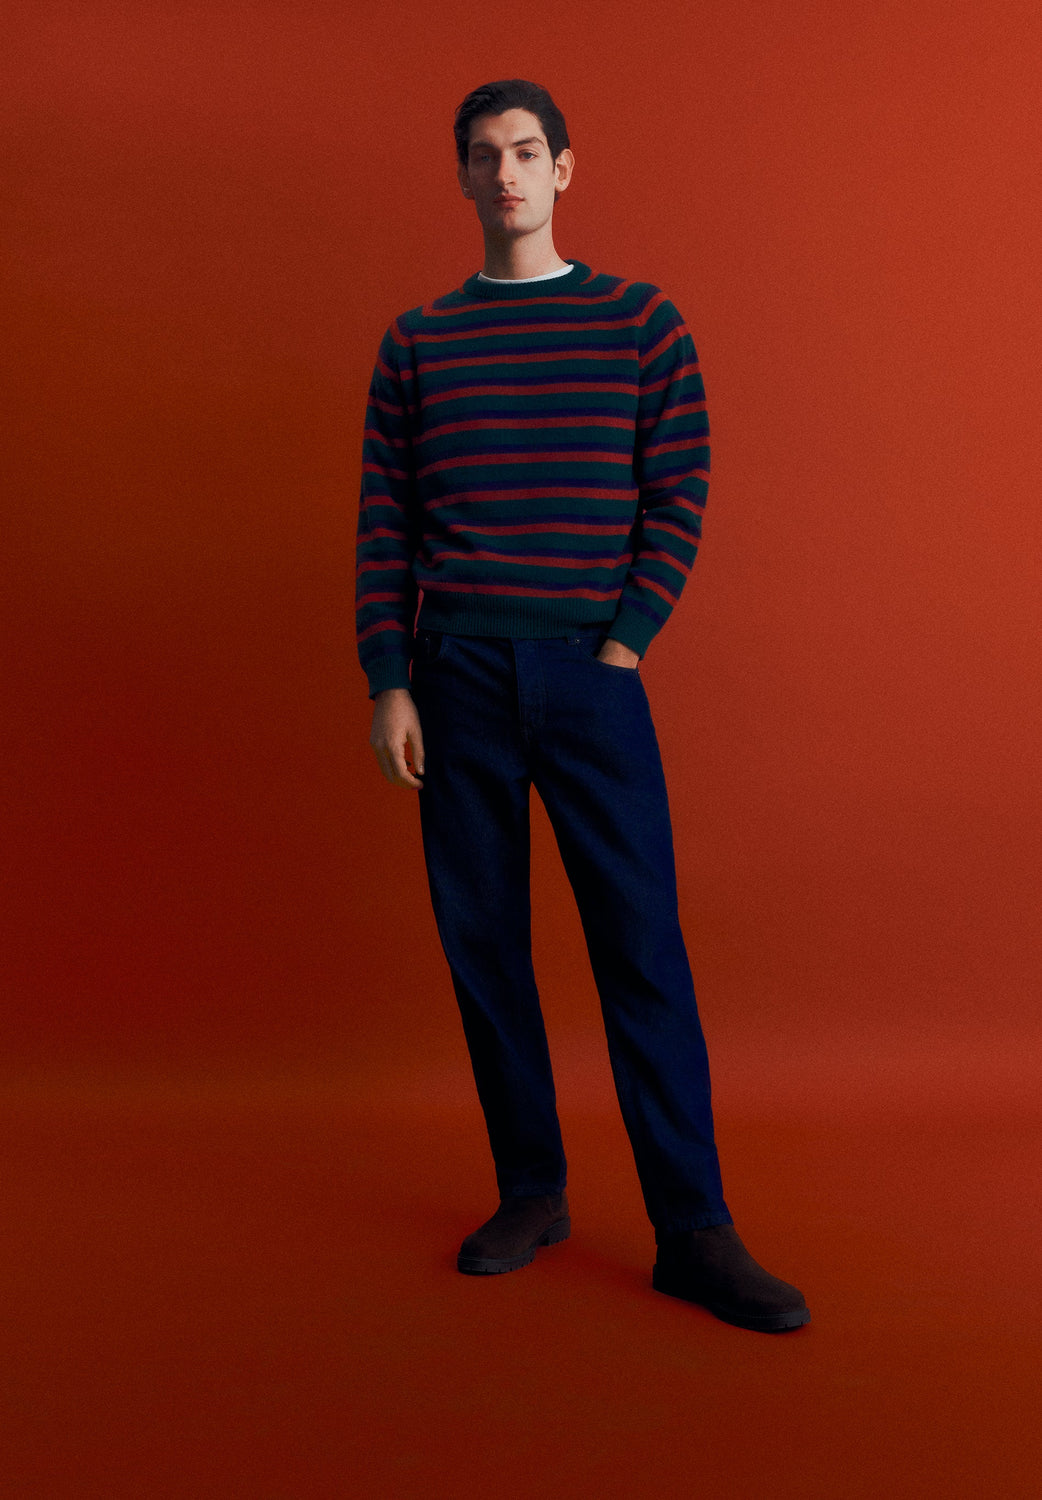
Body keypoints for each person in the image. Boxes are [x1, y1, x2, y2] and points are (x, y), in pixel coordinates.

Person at [356, 78, 809, 1332]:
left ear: (563, 169)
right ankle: (532, 1192)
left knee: (640, 950)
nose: (504, 173)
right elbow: (385, 521)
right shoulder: (418, 343)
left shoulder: (639, 324)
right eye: (482, 155)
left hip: (587, 677)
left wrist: (624, 644)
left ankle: (693, 1230)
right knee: (485, 949)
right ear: (462, 177)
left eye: (525, 152)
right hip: (454, 678)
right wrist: (389, 678)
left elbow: (679, 487)